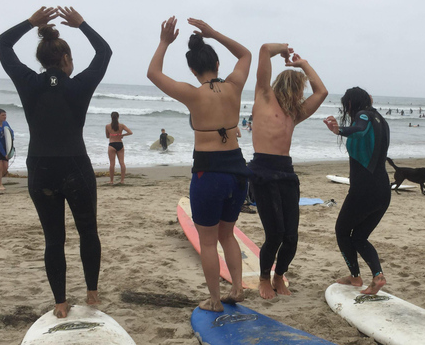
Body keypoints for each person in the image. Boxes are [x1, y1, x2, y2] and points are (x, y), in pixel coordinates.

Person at [0, 6, 112, 318]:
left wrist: (31, 22)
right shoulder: (80, 84)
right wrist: (82, 24)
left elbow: (2, 44)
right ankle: (92, 295)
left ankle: (60, 303)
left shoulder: (28, 81)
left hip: (42, 169)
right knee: (88, 231)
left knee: (53, 239)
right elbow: (104, 51)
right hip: (76, 166)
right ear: (66, 61)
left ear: (42, 60)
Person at [147, 16, 251, 312]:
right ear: (218, 63)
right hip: (238, 173)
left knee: (207, 242)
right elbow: (245, 54)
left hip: (209, 175)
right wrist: (213, 33)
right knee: (227, 234)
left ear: (193, 70)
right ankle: (237, 289)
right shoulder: (234, 85)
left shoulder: (192, 94)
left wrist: (165, 42)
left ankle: (215, 300)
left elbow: (153, 73)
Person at [250, 43, 328, 299]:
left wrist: (303, 63)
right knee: (275, 234)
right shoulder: (263, 96)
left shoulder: (294, 113)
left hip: (286, 171)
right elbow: (263, 50)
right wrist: (283, 50)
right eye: (299, 89)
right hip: (262, 169)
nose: (301, 94)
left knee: (291, 236)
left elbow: (322, 91)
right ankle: (263, 278)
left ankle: (278, 275)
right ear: (289, 86)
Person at [323, 87, 390, 295]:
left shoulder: (362, 115)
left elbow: (359, 129)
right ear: (369, 99)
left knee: (342, 230)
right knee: (359, 237)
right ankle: (377, 276)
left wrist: (339, 130)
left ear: (350, 104)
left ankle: (355, 277)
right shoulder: (381, 120)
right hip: (383, 190)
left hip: (364, 190)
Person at [105, 112, 132, 184]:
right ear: (118, 117)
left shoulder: (107, 126)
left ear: (111, 117)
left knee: (112, 164)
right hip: (120, 144)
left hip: (112, 145)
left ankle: (111, 181)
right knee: (122, 163)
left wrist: (112, 135)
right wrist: (122, 135)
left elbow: (107, 136)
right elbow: (130, 132)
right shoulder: (121, 125)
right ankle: (122, 180)